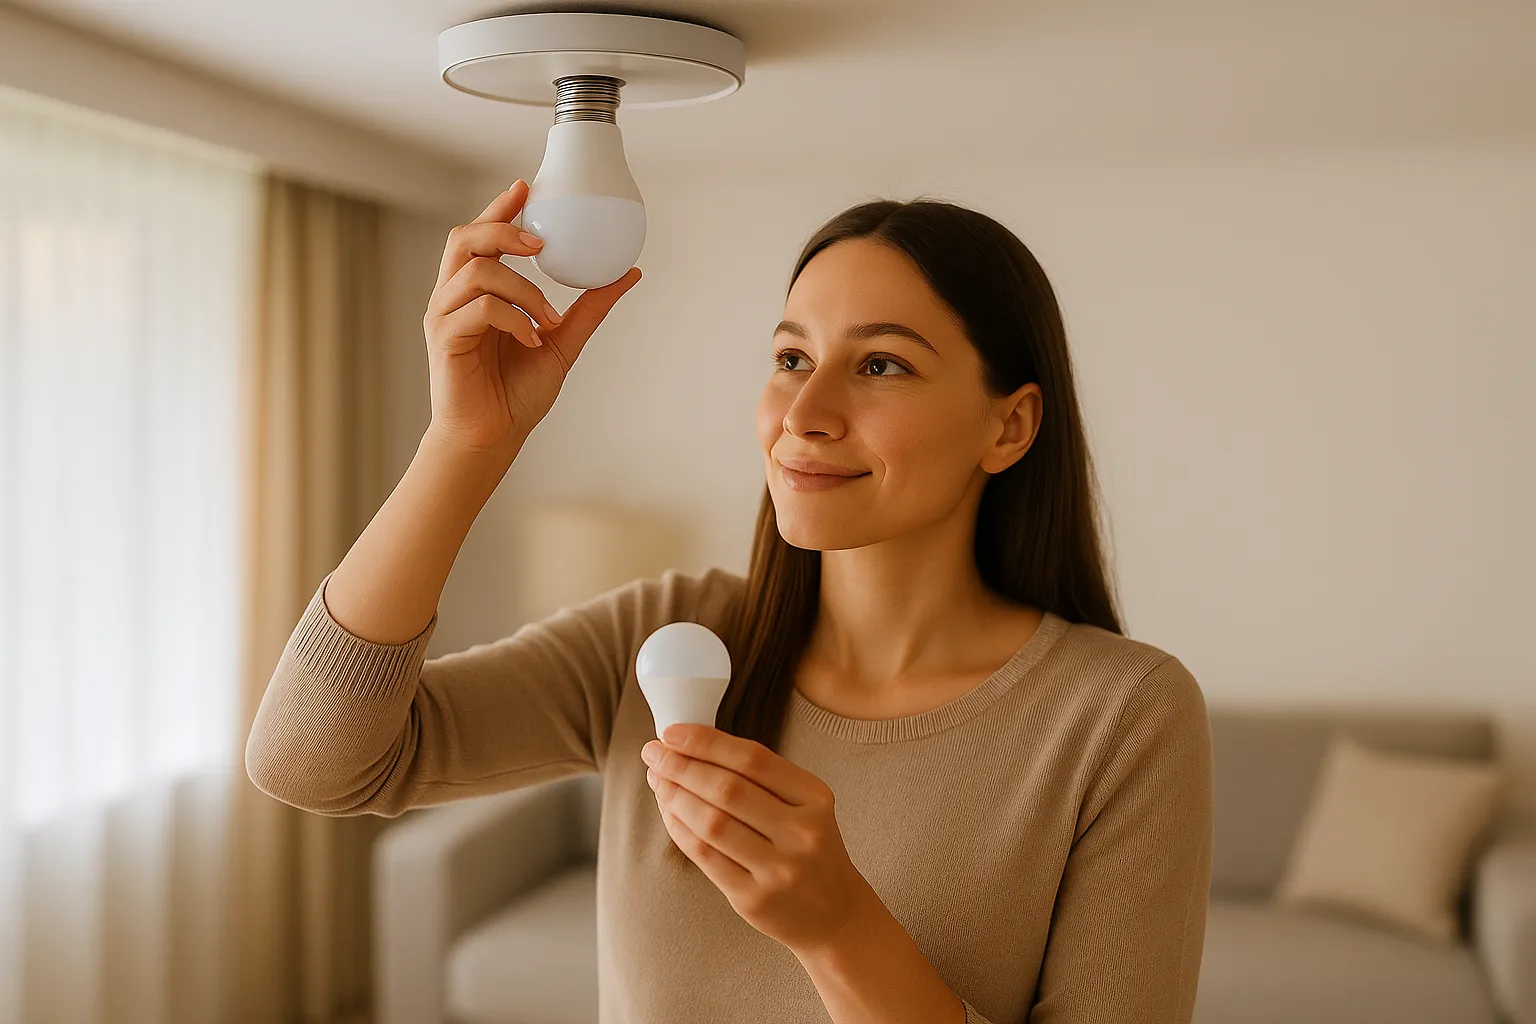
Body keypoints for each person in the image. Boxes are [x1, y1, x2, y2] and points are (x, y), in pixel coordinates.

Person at [246, 179, 1213, 1024]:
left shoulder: (1121, 718)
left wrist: (839, 930)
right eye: (792, 358)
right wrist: (466, 443)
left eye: (880, 365)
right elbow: (311, 761)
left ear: (1010, 425)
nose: (804, 414)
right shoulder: (669, 639)